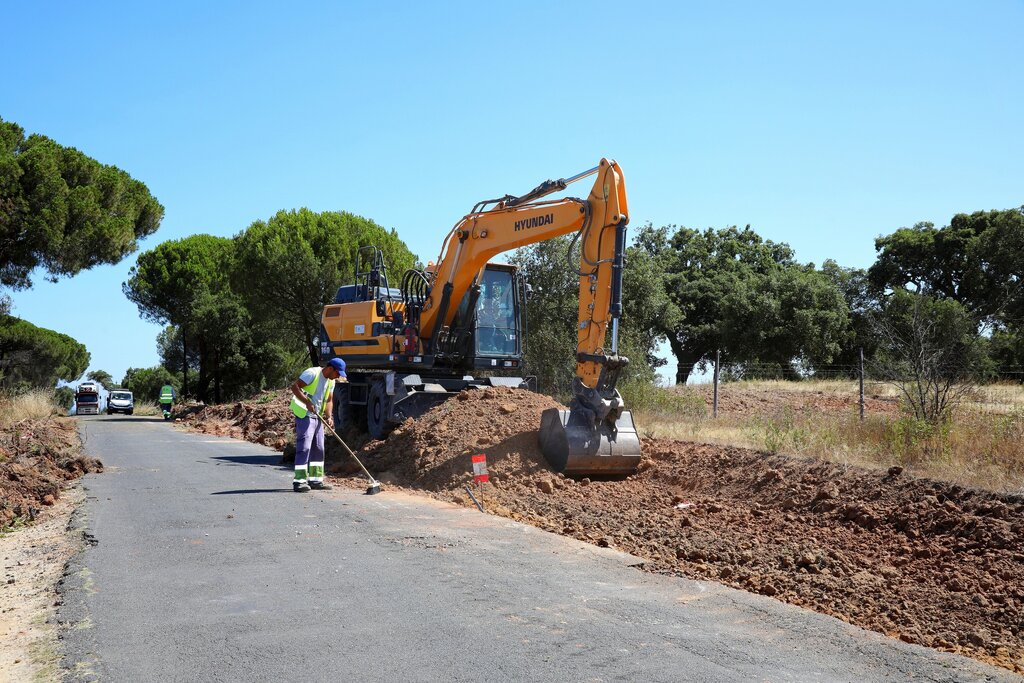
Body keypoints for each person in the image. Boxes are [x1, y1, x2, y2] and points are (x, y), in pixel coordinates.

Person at [289, 358, 347, 493]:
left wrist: (329, 415)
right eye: (338, 373)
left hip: (318, 417)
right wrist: (307, 402)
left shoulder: (331, 381)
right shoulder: (312, 373)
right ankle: (299, 481)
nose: (338, 376)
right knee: (304, 447)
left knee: (319, 447)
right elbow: (295, 387)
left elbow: (329, 400)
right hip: (305, 414)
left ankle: (315, 480)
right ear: (330, 368)